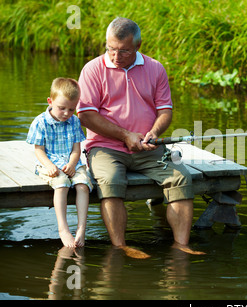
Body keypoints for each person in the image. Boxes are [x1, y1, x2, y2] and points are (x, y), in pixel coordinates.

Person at [76, 17, 203, 258]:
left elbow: (165, 110)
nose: (115, 56)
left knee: (181, 178)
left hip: (148, 147)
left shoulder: (155, 68)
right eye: (110, 49)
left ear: (138, 45)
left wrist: (154, 133)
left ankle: (181, 245)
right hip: (105, 147)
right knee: (111, 181)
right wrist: (125, 135)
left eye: (123, 51)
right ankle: (121, 246)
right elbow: (86, 116)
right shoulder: (92, 69)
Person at [27, 78, 92, 248]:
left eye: (71, 109)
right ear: (50, 101)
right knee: (62, 183)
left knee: (83, 185)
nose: (66, 113)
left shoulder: (75, 121)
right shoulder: (40, 122)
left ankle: (81, 228)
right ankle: (63, 229)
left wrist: (72, 163)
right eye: (61, 108)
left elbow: (77, 149)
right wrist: (49, 166)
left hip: (73, 162)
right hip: (49, 163)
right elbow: (39, 150)